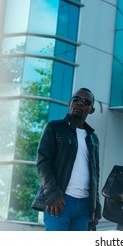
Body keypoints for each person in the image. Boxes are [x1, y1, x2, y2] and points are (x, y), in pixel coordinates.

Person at [31, 88, 102, 231]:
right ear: (69, 103)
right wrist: (53, 194)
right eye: (76, 99)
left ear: (91, 109)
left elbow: (96, 175)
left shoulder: (93, 138)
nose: (80, 103)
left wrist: (96, 207)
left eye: (86, 101)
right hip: (60, 201)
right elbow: (43, 163)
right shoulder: (54, 128)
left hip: (84, 206)